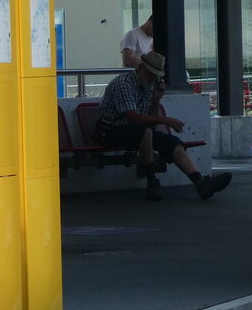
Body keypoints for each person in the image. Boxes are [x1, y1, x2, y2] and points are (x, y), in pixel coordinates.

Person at [92, 50, 230, 201]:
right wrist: (165, 120)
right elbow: (133, 117)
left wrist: (156, 100)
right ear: (142, 68)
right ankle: (152, 181)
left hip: (136, 131)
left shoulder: (149, 86)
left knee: (172, 142)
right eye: (151, 73)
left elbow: (149, 121)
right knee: (145, 132)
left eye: (156, 75)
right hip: (109, 131)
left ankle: (200, 182)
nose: (153, 78)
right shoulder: (123, 84)